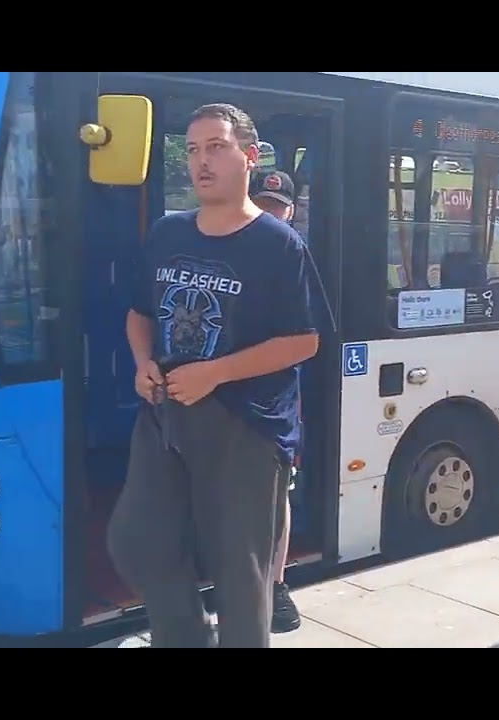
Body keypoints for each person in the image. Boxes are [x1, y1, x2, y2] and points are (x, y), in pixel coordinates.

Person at [106, 103, 333, 648]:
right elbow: (140, 313)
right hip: (164, 415)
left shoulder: (279, 244)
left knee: (241, 575)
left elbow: (306, 340)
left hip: (246, 429)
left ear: (249, 158)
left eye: (216, 147)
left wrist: (216, 374)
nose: (201, 161)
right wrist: (142, 363)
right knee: (135, 540)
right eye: (192, 149)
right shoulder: (168, 233)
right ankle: (186, 636)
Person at [249, 168, 303, 633]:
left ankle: (277, 586)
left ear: (290, 211)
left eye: (277, 207)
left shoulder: (297, 258)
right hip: (227, 406)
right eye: (262, 207)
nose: (271, 215)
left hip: (276, 405)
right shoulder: (224, 252)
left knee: (277, 495)